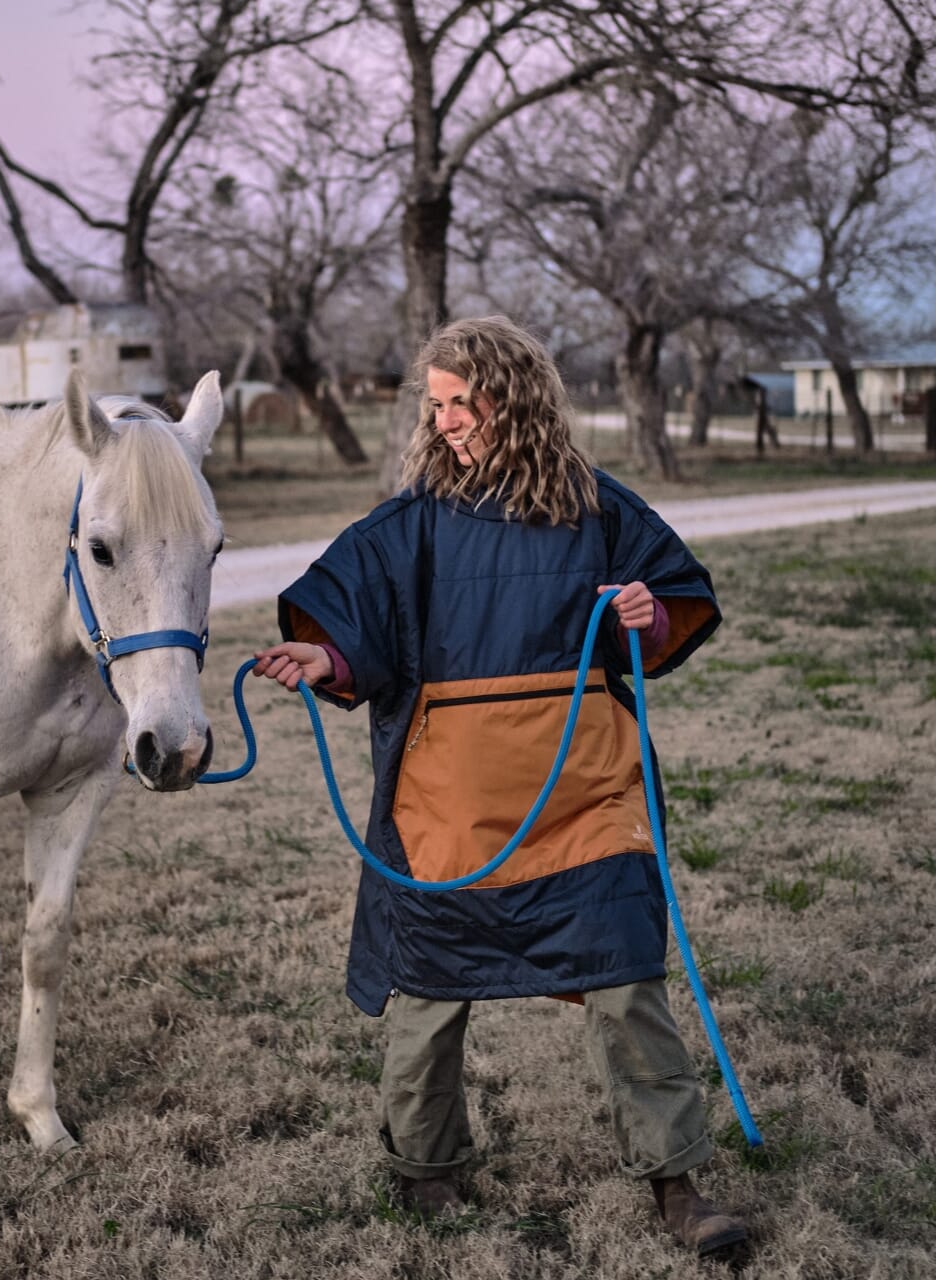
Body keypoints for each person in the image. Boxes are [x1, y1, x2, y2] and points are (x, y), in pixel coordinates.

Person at [251, 316, 747, 1259]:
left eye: (460, 403)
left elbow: (666, 611)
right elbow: (357, 628)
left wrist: (639, 614)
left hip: (585, 806)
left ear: (511, 397)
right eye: (433, 406)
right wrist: (323, 657)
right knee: (428, 998)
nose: (444, 423)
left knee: (629, 987)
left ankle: (679, 1185)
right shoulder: (410, 528)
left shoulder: (601, 514)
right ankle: (428, 1170)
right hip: (446, 814)